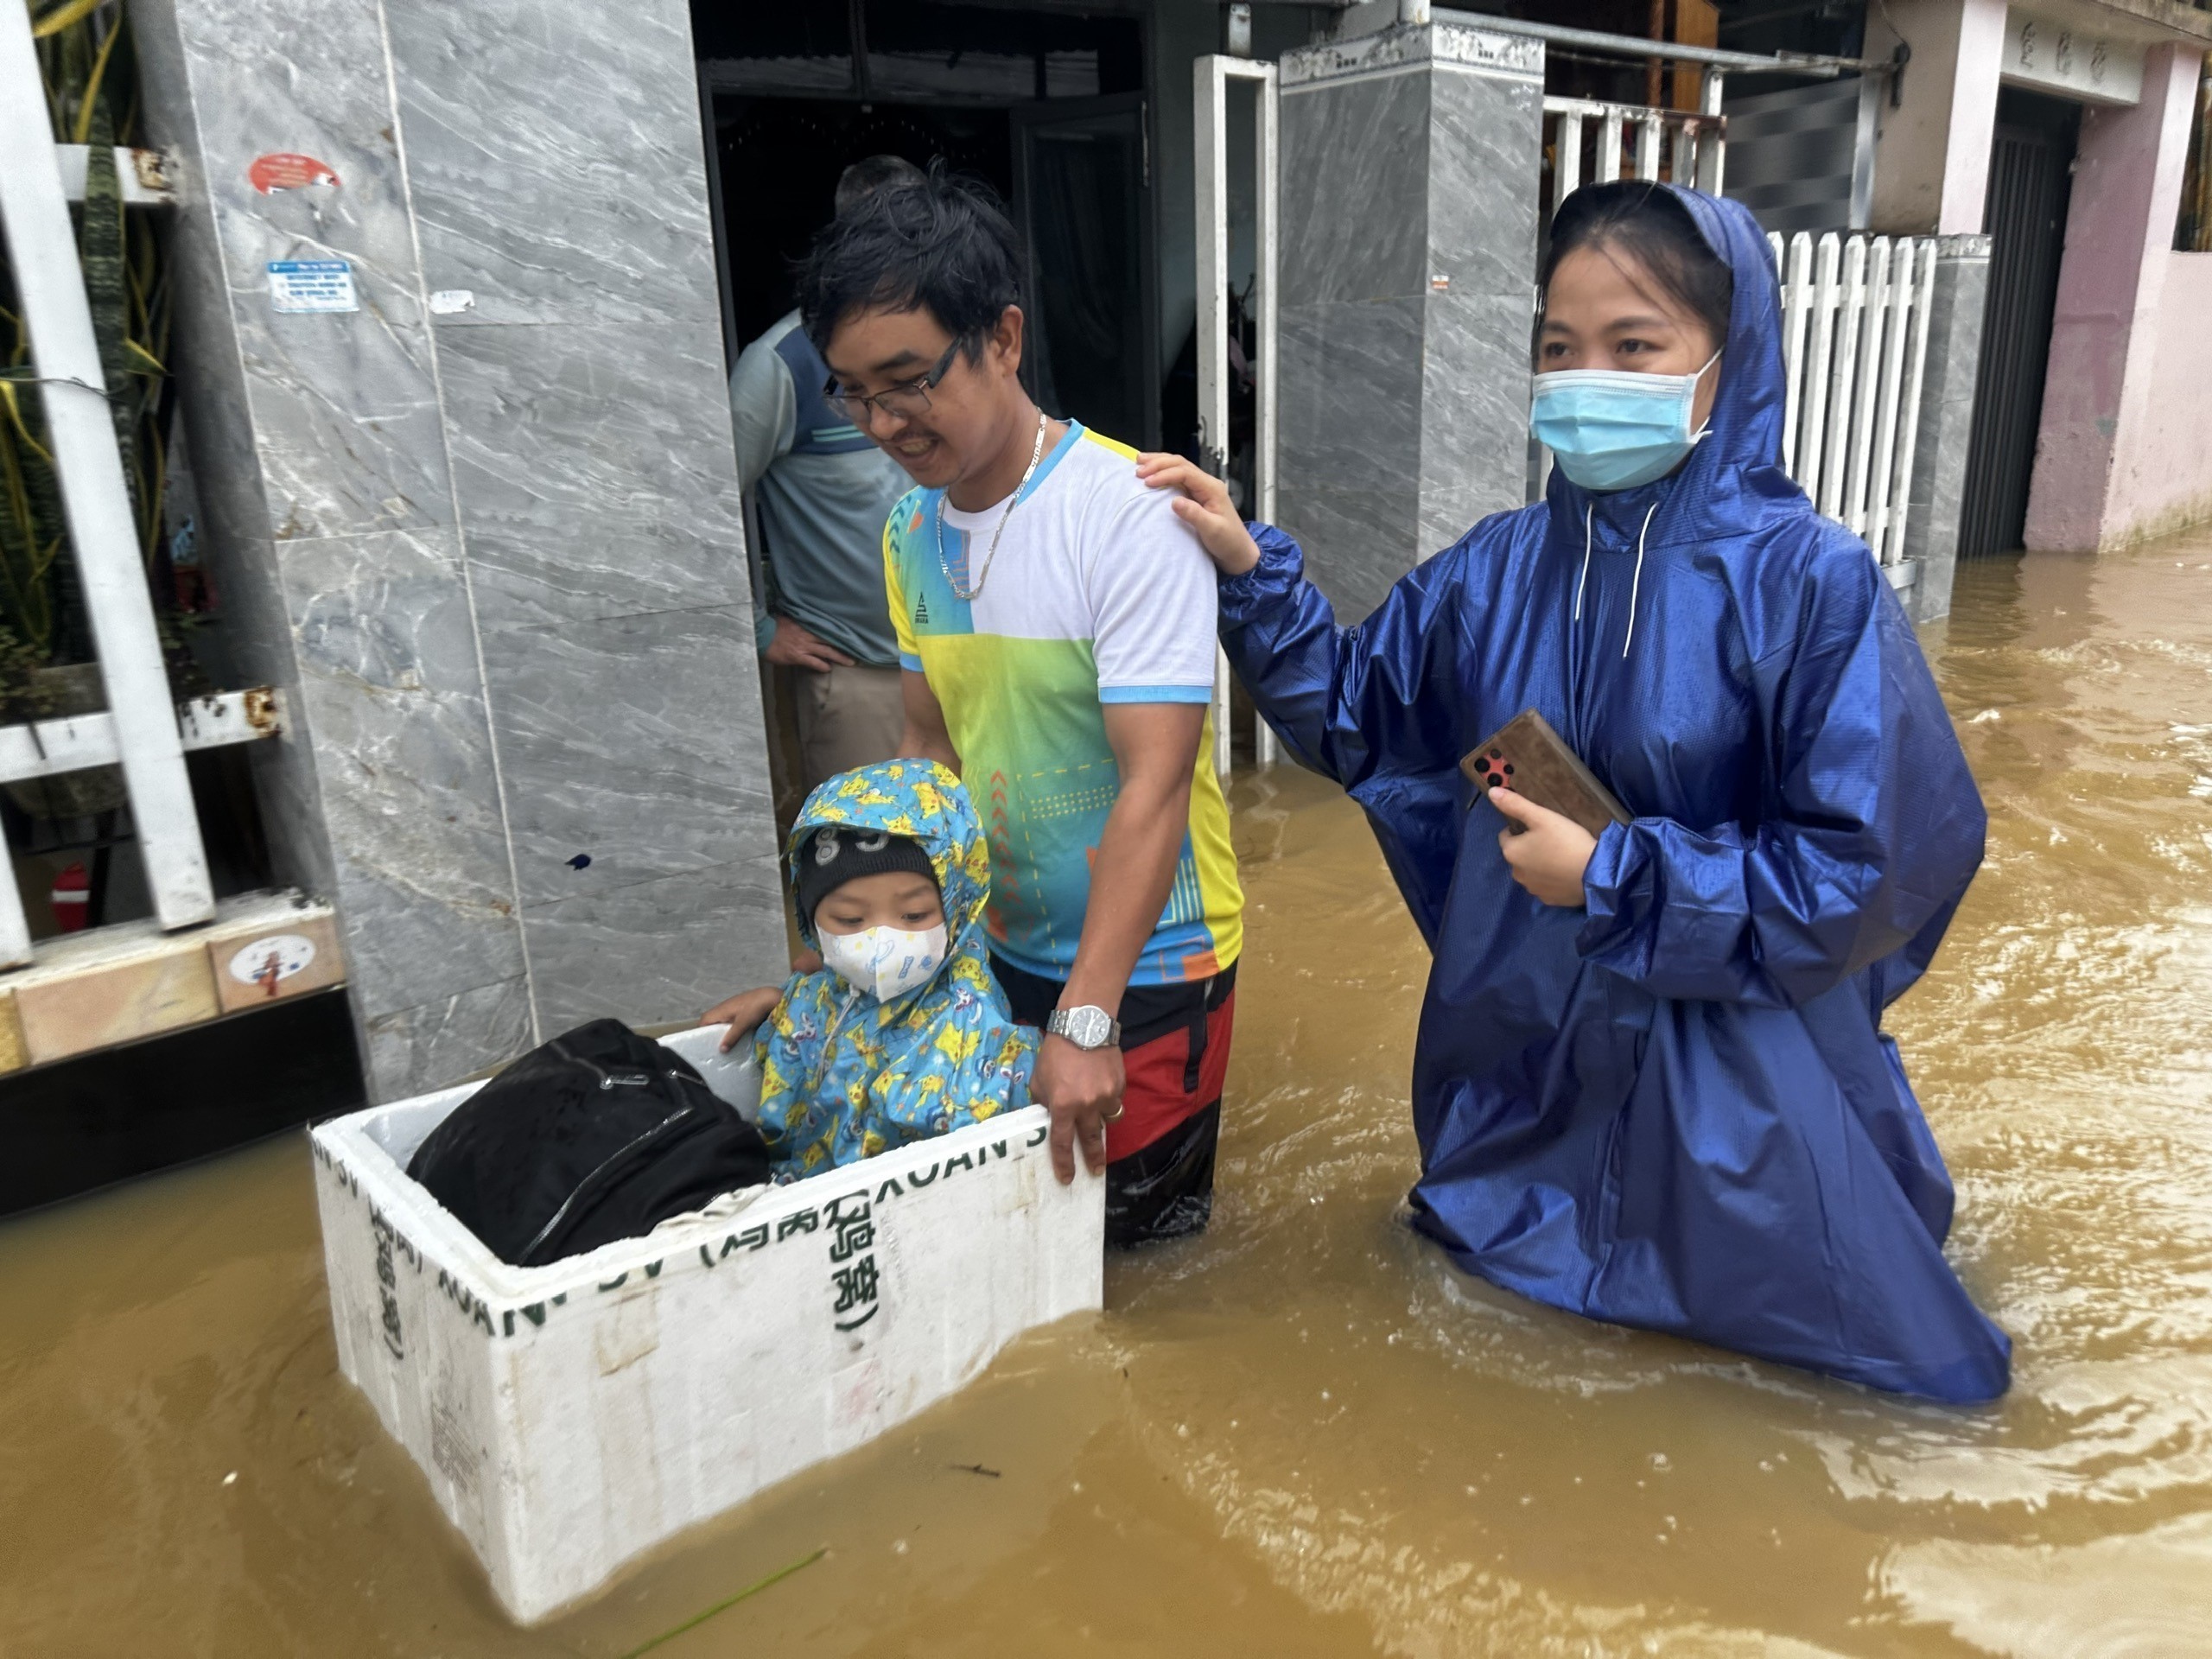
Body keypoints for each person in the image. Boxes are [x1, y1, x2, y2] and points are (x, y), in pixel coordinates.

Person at [1139, 181, 2012, 1402]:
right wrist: (1250, 572)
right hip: (1524, 1090)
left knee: (1889, 1385)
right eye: (1560, 348)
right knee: (1487, 1363)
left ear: (1729, 358)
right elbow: (1355, 717)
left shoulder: (1810, 588)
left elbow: (1868, 872)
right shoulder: (1495, 571)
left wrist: (1622, 876)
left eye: (1634, 345)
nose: (1586, 378)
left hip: (1740, 1124)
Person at [794, 164, 1243, 1249]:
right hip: (997, 941)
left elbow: (1155, 782)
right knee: (1020, 1241)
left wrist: (1087, 1020)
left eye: (908, 380)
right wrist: (850, 959)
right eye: (852, 393)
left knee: (1136, 1255)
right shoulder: (909, 533)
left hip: (1150, 962)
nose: (884, 422)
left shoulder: (1128, 513)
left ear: (1002, 338)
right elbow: (927, 746)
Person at [707, 759, 1037, 1179]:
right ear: (809, 924)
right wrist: (778, 1006)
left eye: (914, 915)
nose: (882, 942)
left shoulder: (969, 1022)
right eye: (849, 921)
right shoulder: (817, 999)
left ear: (957, 909)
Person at [729, 156, 926, 793]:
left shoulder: (954, 347)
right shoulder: (780, 365)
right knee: (872, 876)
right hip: (861, 680)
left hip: (965, 662)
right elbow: (704, 505)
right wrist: (757, 627)